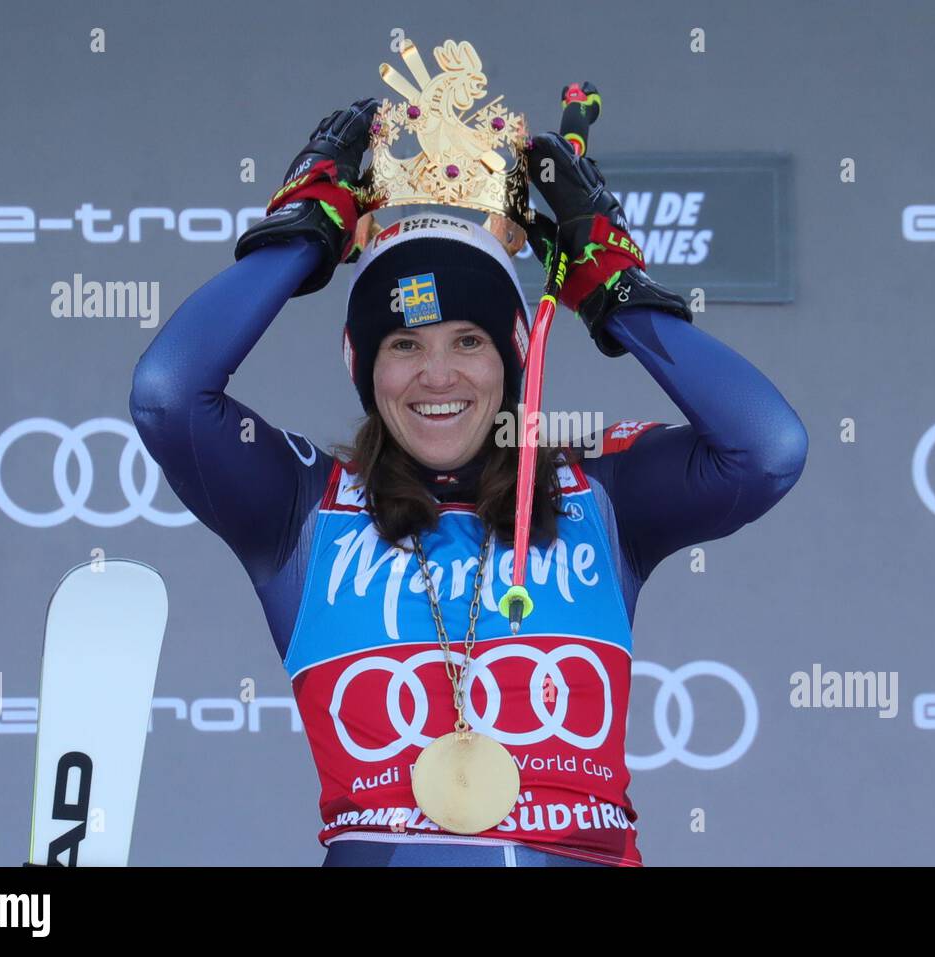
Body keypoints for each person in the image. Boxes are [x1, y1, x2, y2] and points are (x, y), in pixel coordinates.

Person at [129, 98, 808, 867]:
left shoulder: (599, 494)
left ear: (514, 360)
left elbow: (769, 446)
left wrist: (615, 292)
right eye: (405, 343)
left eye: (469, 340)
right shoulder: (301, 508)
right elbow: (167, 392)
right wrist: (302, 235)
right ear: (366, 369)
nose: (438, 373)